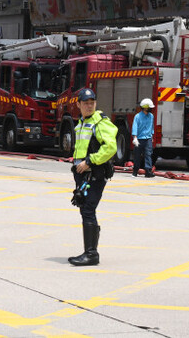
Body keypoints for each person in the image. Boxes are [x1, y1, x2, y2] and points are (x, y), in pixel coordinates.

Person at [69, 88, 118, 267]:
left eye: (92, 103)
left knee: (88, 209)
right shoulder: (82, 123)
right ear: (78, 104)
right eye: (86, 103)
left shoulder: (100, 122)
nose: (89, 106)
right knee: (85, 209)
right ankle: (90, 252)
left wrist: (90, 161)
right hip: (83, 175)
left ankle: (91, 254)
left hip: (95, 174)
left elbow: (110, 147)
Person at [132, 98, 155, 177]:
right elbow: (135, 127)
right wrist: (135, 138)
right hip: (139, 139)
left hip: (148, 138)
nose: (151, 109)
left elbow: (151, 126)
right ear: (145, 107)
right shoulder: (137, 116)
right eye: (150, 107)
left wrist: (152, 136)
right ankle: (135, 170)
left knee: (148, 154)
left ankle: (148, 171)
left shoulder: (151, 116)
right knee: (137, 155)